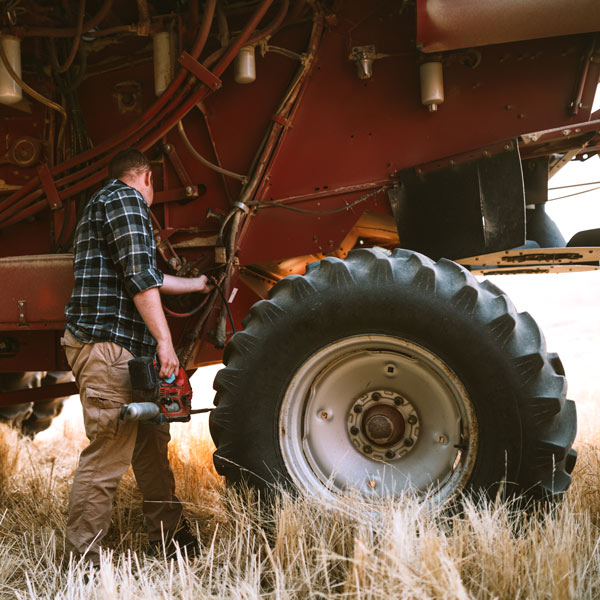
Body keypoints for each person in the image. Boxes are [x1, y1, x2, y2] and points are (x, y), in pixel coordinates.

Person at [62, 148, 212, 566]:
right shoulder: (125, 200)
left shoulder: (107, 204)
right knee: (109, 452)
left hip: (126, 352)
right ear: (145, 177)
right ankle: (83, 563)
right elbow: (142, 281)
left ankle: (168, 542)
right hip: (108, 347)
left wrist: (196, 283)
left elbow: (149, 274)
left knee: (151, 447)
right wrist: (166, 343)